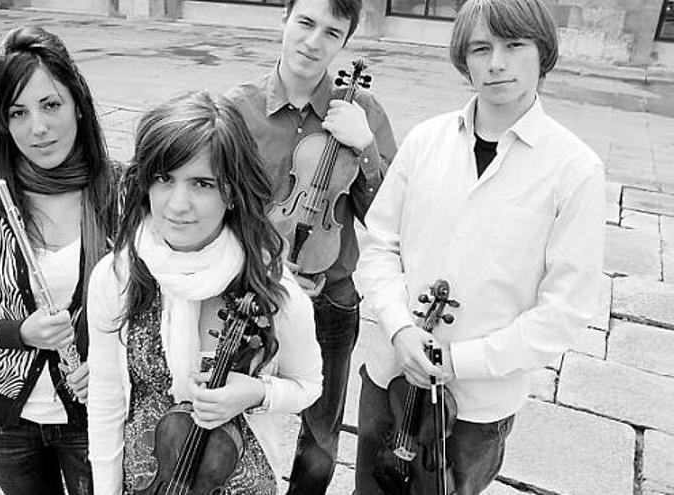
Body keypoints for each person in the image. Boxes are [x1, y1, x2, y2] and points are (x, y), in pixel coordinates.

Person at [353, 1, 606, 493]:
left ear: (543, 52)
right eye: (481, 48)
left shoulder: (575, 169)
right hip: (390, 374)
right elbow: (380, 245)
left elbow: (566, 309)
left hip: (477, 405)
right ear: (463, 60)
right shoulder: (426, 140)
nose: (496, 63)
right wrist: (401, 328)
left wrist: (458, 361)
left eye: (514, 46)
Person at [86, 91, 323, 495]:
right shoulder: (117, 276)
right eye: (164, 179)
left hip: (238, 481)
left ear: (230, 192)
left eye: (201, 183)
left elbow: (308, 386)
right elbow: (106, 403)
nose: (178, 204)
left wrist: (257, 392)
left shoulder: (273, 290)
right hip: (148, 482)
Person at [225, 0, 397, 491]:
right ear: (284, 19)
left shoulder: (364, 112)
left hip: (331, 292)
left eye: (331, 32)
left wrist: (365, 149)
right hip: (250, 290)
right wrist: (264, 262)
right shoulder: (238, 108)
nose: (313, 41)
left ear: (344, 41)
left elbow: (387, 218)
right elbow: (217, 205)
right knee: (226, 409)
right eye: (305, 23)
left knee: (321, 438)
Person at [0, 26, 117, 495]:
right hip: (4, 422)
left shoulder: (121, 193)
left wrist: (111, 359)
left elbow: (151, 305)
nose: (37, 128)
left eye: (51, 105)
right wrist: (16, 331)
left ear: (78, 103)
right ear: (4, 122)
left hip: (93, 415)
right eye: (18, 112)